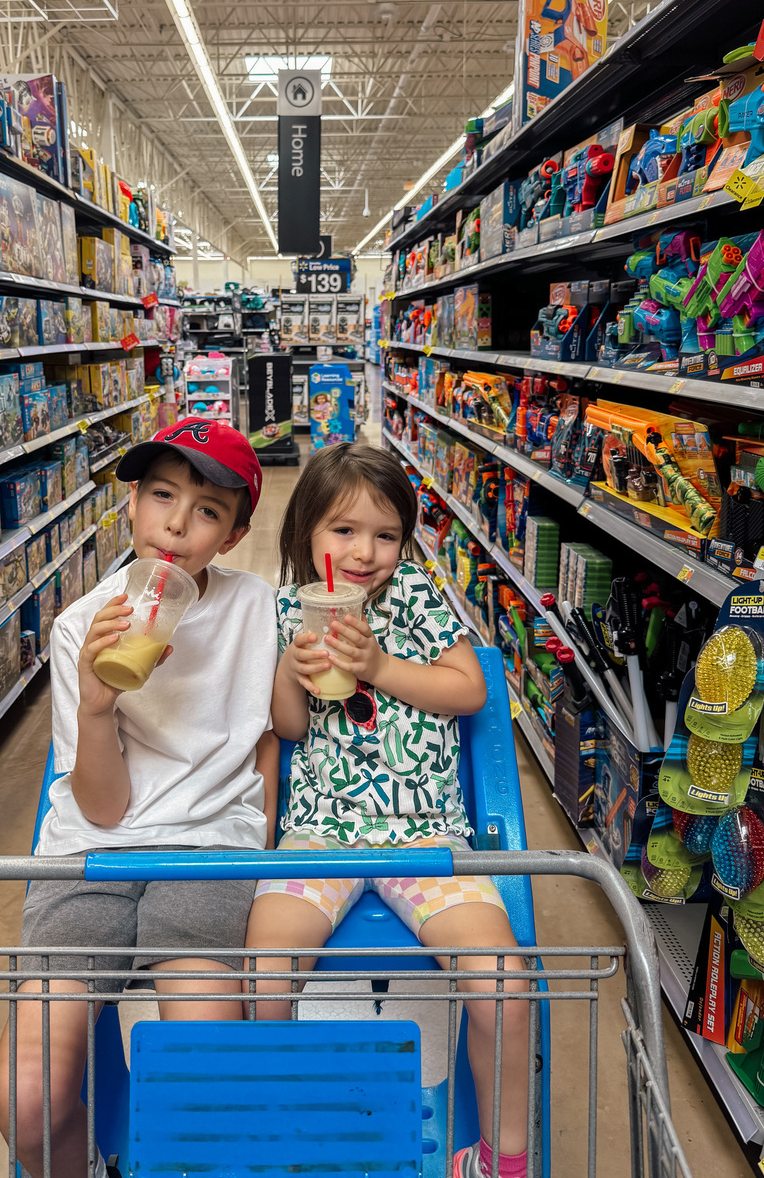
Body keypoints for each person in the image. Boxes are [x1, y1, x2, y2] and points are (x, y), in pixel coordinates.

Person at [0, 418, 280, 1178]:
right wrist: (93, 705)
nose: (177, 523)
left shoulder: (259, 609)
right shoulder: (80, 626)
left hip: (209, 852)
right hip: (91, 853)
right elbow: (105, 808)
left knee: (203, 1077)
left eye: (208, 510)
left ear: (235, 532)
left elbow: (272, 734)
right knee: (27, 1097)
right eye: (161, 494)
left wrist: (263, 827)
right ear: (131, 503)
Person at [245, 442, 530, 1178]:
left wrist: (377, 666)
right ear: (306, 532)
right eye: (343, 530)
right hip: (319, 835)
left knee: (506, 984)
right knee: (265, 974)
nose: (365, 551)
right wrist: (288, 670)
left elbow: (469, 689)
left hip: (426, 838)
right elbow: (289, 729)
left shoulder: (417, 600)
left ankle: (500, 1157)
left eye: (385, 533)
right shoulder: (287, 610)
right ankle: (280, 1136)